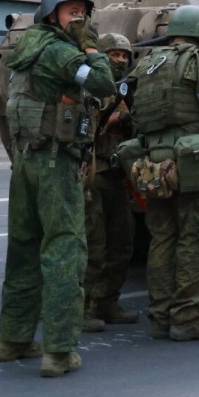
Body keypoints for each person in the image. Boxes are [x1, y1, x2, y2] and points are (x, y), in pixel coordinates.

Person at [0, 0, 116, 378]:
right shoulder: (62, 52)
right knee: (64, 250)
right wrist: (93, 49)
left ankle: (12, 339)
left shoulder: (27, 46)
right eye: (71, 12)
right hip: (55, 163)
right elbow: (103, 84)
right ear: (52, 14)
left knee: (24, 250)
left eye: (83, 12)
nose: (79, 18)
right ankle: (59, 352)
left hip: (26, 160)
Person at [130, 7, 199, 340]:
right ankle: (188, 319)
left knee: (162, 239)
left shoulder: (147, 64)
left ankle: (161, 317)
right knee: (194, 239)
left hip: (154, 165)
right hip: (190, 164)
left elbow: (137, 115)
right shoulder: (197, 62)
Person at [81, 33, 138, 333]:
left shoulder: (128, 90)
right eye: (113, 55)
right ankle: (82, 307)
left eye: (124, 56)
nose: (120, 61)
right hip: (94, 175)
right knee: (94, 246)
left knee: (122, 244)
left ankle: (107, 301)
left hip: (119, 175)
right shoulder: (92, 88)